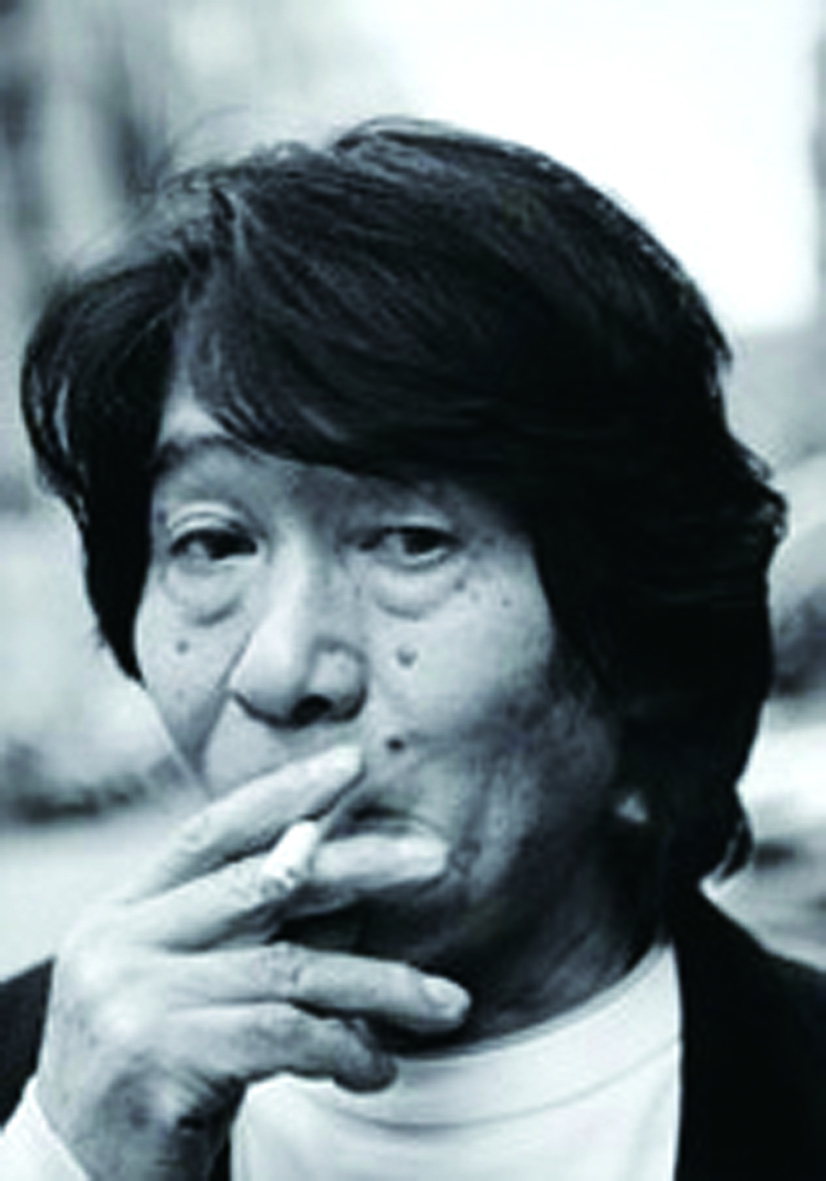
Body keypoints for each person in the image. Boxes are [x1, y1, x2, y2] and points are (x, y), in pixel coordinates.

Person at [0, 117, 824, 1181]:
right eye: (212, 542)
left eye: (409, 540)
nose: (280, 669)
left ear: (639, 646)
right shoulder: (37, 1099)